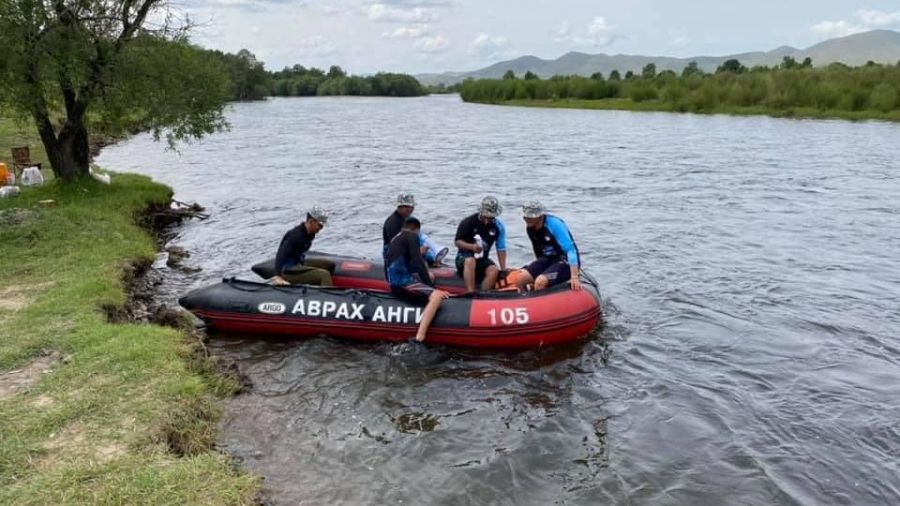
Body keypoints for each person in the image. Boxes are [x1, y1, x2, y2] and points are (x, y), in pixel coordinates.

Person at [385, 217, 450, 342]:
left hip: (393, 282)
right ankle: (420, 337)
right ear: (416, 230)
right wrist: (433, 290)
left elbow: (405, 260)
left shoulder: (397, 238)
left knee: (430, 275)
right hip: (402, 284)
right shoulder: (412, 236)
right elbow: (418, 263)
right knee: (436, 296)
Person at [515, 200, 582, 292]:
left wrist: (574, 276)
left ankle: (540, 302)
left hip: (564, 260)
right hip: (548, 259)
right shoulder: (530, 228)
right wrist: (537, 268)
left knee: (540, 282)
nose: (527, 220)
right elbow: (537, 250)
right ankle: (525, 300)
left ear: (540, 216)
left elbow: (570, 250)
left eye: (530, 217)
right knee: (520, 279)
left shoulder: (554, 225)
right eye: (526, 217)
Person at [454, 196, 507, 292]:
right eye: (485, 217)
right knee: (470, 261)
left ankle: (483, 293)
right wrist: (471, 247)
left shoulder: (499, 227)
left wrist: (503, 269)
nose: (487, 220)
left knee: (493, 270)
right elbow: (457, 242)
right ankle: (470, 292)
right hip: (463, 257)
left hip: (482, 259)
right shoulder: (468, 222)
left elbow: (501, 248)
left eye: (490, 218)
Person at [272, 206, 334, 286]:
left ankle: (322, 287)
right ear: (311, 221)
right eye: (320, 225)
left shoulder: (310, 233)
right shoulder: (296, 236)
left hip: (299, 263)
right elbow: (280, 254)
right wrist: (278, 277)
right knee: (324, 275)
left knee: (330, 265)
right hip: (288, 270)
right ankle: (325, 295)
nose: (321, 228)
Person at [383, 193, 416, 258]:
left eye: (412, 207)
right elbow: (395, 245)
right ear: (399, 207)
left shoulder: (410, 219)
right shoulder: (392, 222)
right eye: (407, 207)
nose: (410, 209)